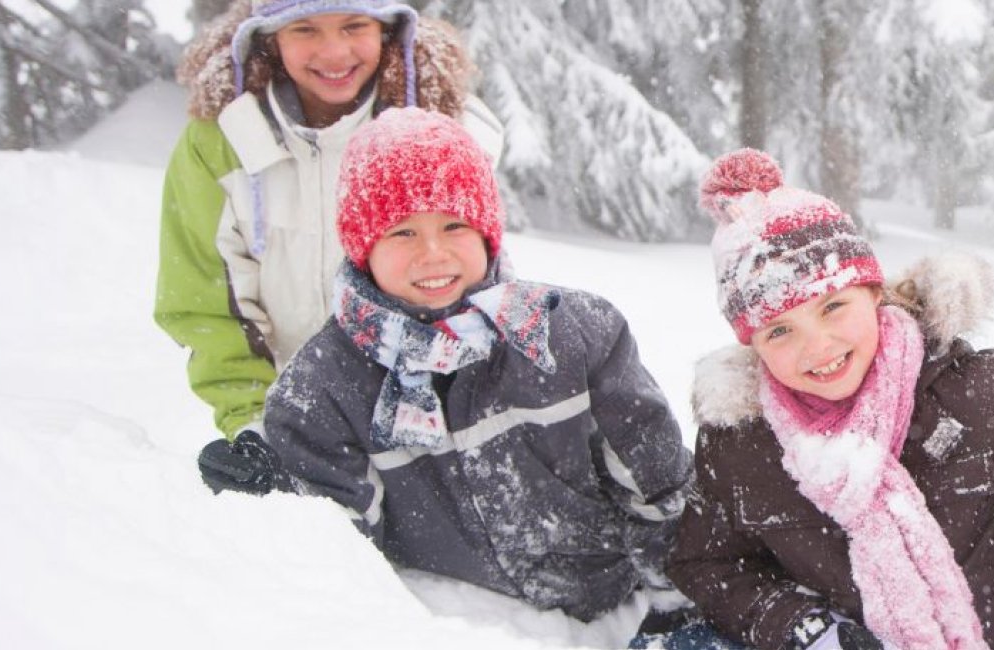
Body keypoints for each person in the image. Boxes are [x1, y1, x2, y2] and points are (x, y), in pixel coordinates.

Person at [666, 149, 994, 650]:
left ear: (874, 293)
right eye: (780, 330)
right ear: (752, 344)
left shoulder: (989, 395)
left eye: (833, 307)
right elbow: (708, 563)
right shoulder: (742, 444)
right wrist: (802, 627)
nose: (819, 347)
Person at [260, 107, 692, 635]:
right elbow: (337, 559)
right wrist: (269, 491)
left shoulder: (574, 334)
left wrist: (681, 607)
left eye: (454, 224)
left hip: (610, 606)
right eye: (401, 233)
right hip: (453, 623)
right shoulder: (323, 385)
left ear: (486, 231)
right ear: (362, 244)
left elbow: (658, 486)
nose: (433, 253)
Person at [153, 0, 502, 494]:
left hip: (435, 426)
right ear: (267, 35)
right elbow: (206, 304)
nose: (333, 51)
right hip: (295, 422)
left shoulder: (442, 127)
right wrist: (255, 426)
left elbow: (479, 282)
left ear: (387, 29)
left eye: (354, 25)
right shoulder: (222, 141)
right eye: (305, 28)